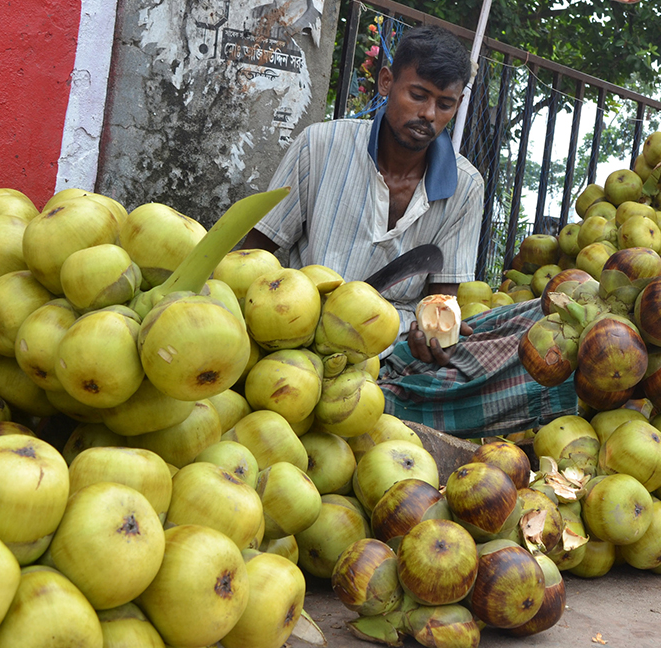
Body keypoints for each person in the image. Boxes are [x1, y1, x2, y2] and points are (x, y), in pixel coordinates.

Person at [241, 24, 577, 437]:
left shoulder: (466, 187)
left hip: (396, 354)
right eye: (417, 95)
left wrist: (432, 333)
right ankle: (370, 410)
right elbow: (250, 257)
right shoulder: (320, 146)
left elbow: (442, 303)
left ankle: (376, 405)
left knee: (540, 319)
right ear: (387, 82)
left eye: (445, 104)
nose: (429, 115)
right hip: (300, 338)